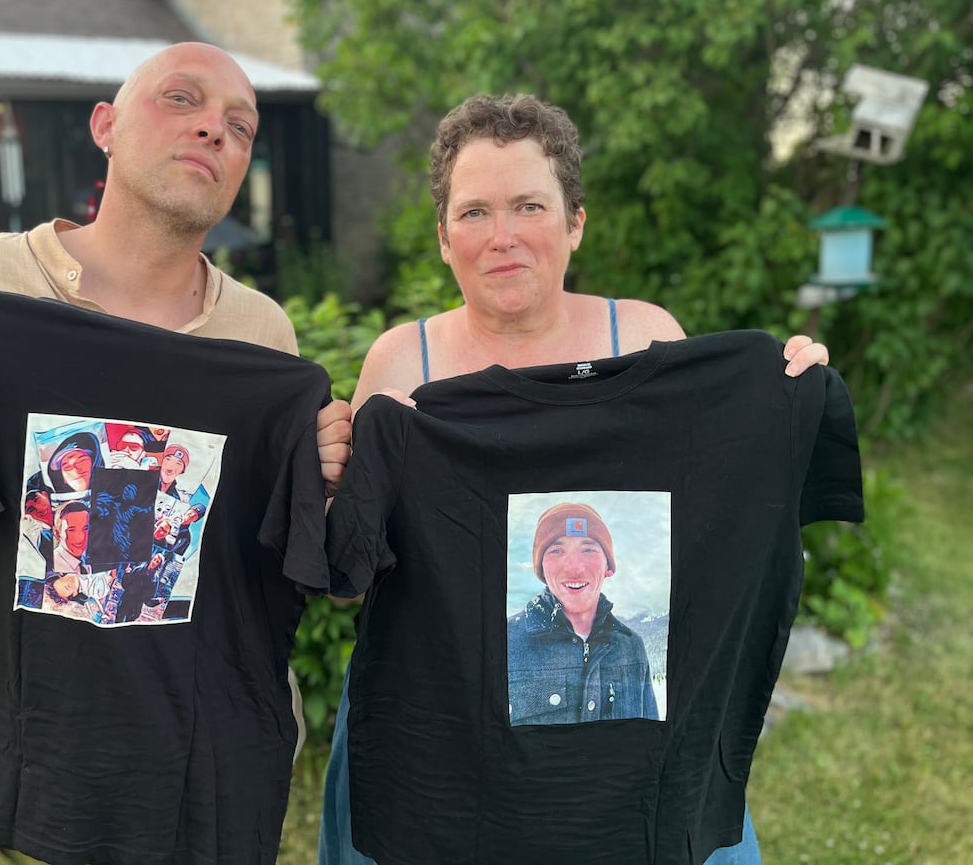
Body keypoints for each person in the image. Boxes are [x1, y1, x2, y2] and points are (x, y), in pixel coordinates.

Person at [0, 41, 352, 861]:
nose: (214, 130)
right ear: (105, 124)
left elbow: (255, 556)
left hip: (187, 792)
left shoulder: (263, 338)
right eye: (182, 99)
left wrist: (328, 478)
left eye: (240, 127)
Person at [317, 93, 825, 865]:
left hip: (624, 730)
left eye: (529, 205)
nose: (504, 237)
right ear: (445, 237)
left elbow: (704, 531)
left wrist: (780, 401)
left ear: (575, 221)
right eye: (475, 212)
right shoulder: (401, 365)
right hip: (447, 728)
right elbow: (355, 579)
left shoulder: (648, 341)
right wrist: (332, 490)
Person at [507, 502, 657, 725]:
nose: (574, 567)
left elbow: (652, 740)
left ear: (608, 567)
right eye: (557, 550)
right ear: (541, 569)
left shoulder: (632, 646)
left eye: (588, 549)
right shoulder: (504, 642)